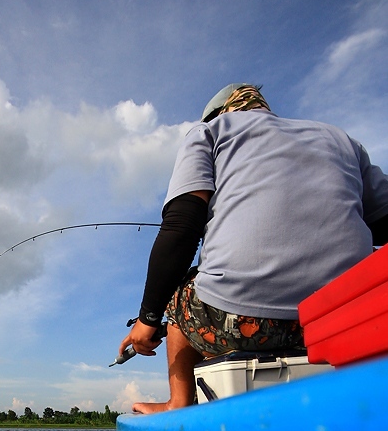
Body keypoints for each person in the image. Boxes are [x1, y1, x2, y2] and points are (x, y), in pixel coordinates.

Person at [118, 83, 388, 413]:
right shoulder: (342, 139)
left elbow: (182, 229)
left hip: (245, 322)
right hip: (348, 319)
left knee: (179, 298)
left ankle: (179, 402)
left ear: (221, 113)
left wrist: (148, 319)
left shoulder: (210, 131)